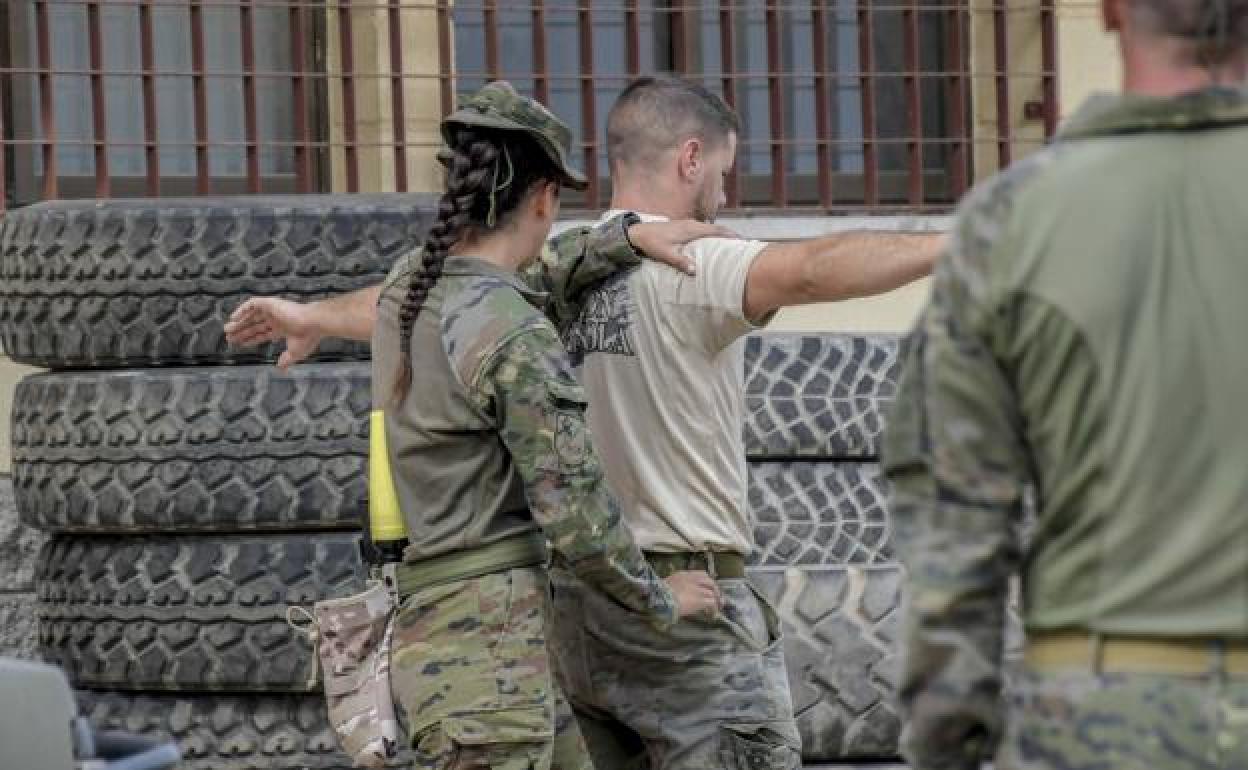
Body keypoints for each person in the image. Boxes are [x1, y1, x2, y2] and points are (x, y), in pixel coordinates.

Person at [227, 76, 942, 770]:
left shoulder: (506, 275)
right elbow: (817, 268)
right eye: (723, 170)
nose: (725, 190)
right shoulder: (677, 265)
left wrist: (313, 314)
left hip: (562, 616)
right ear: (691, 158)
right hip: (663, 607)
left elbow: (409, 297)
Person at [881, 1, 1248, 768]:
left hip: (1098, 720)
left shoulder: (1008, 225)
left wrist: (949, 742)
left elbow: (955, 530)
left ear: (1111, 11)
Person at [364, 81, 720, 770]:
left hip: (452, 647)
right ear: (544, 199)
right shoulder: (513, 336)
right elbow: (578, 517)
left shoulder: (407, 288)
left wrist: (625, 236)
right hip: (491, 669)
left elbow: (535, 273)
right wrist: (660, 599)